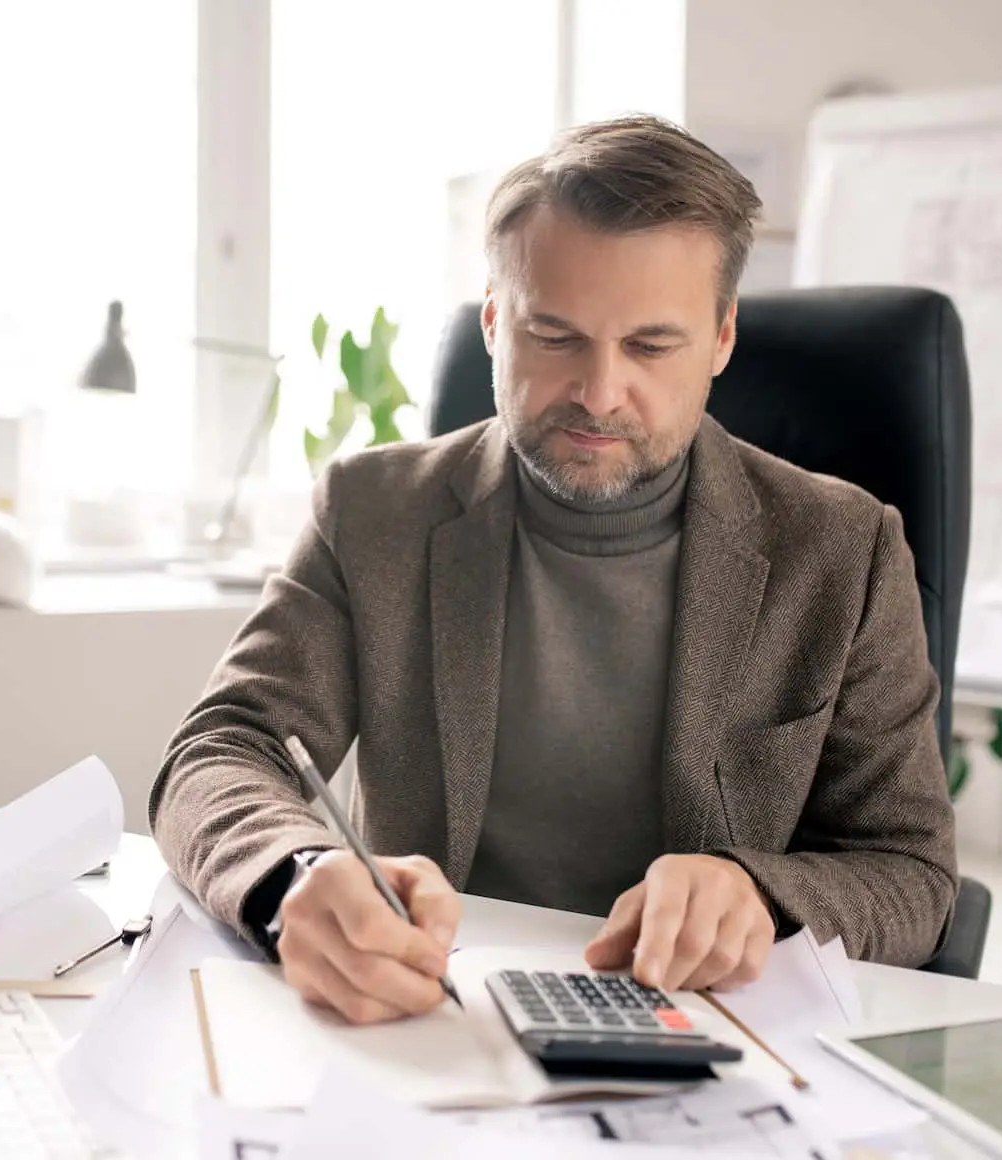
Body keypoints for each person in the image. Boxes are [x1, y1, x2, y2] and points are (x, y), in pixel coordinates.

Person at [150, 114, 957, 1027]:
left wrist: (758, 896)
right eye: (555, 335)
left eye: (652, 346)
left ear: (723, 337)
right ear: (495, 320)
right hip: (430, 1019)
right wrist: (294, 875)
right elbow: (221, 751)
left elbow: (912, 875)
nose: (600, 392)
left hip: (707, 1035)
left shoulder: (842, 550)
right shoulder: (373, 511)